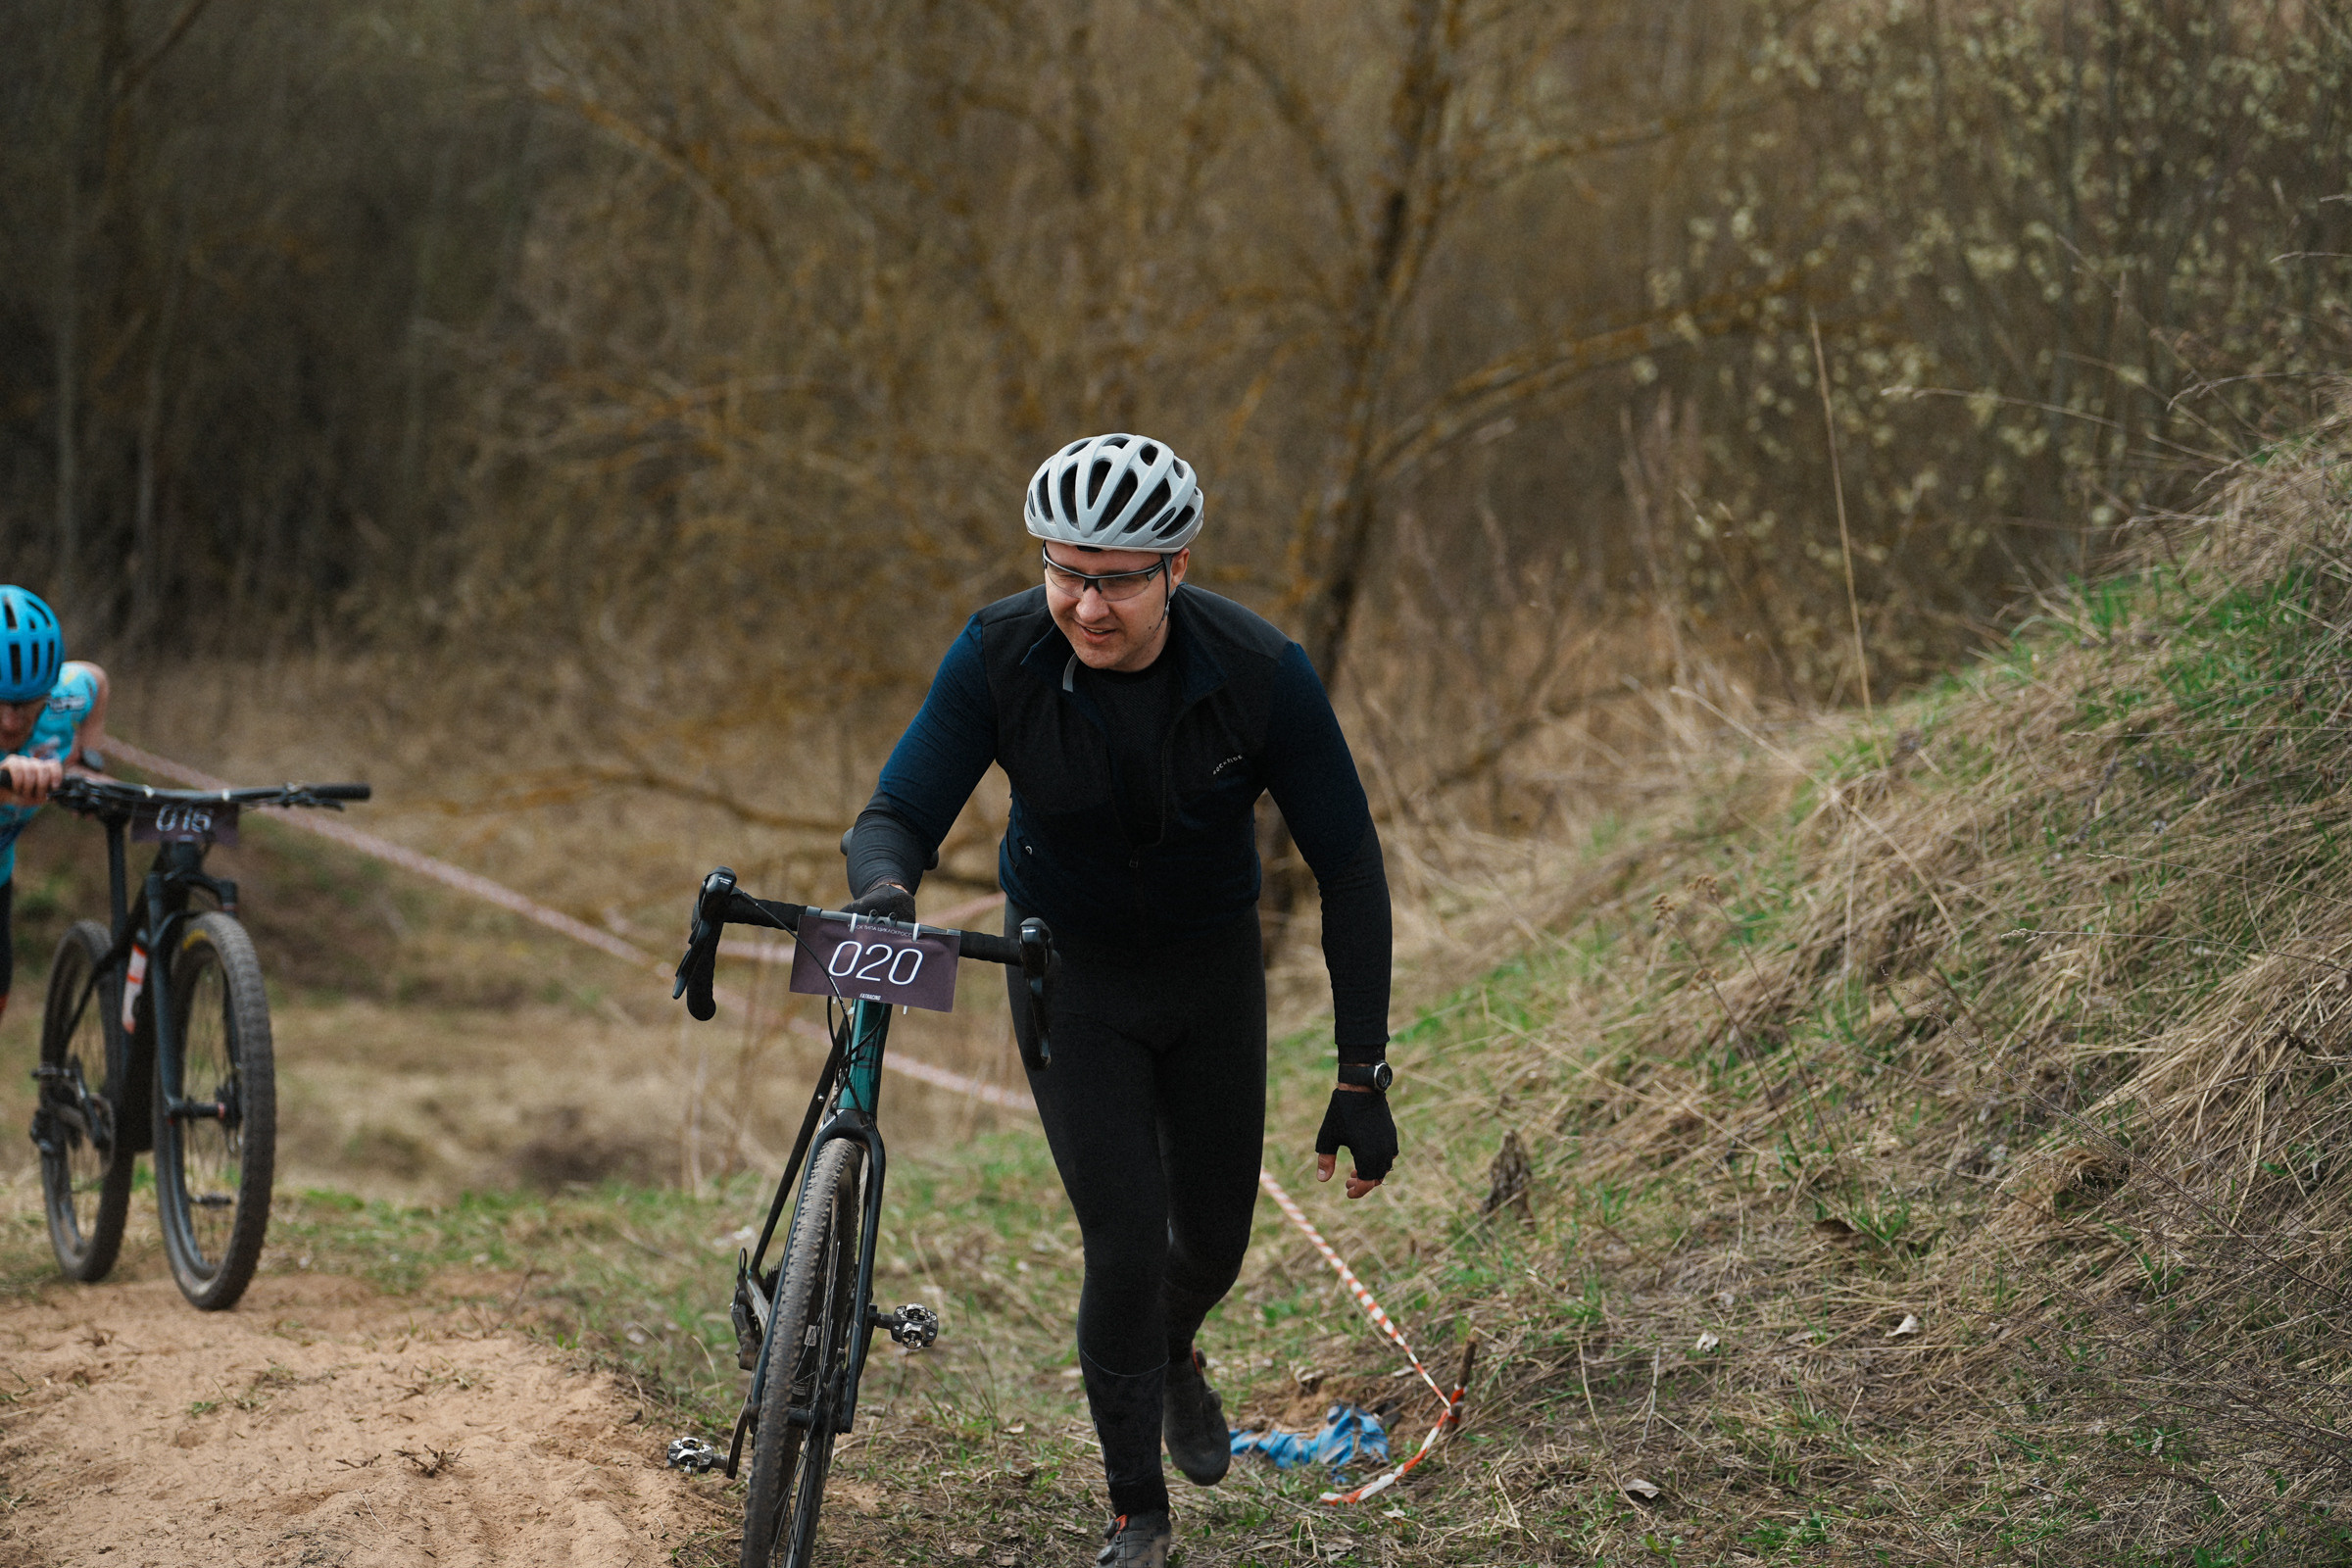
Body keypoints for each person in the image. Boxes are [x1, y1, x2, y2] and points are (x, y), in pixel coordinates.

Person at [841, 434, 1398, 1567]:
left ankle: (1176, 1352)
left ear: (1176, 569)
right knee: (1126, 1239)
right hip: (1068, 972)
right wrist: (887, 892)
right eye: (1065, 571)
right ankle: (1136, 1512)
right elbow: (892, 812)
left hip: (1208, 975)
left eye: (1117, 578)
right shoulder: (999, 653)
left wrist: (1360, 1069)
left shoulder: (1258, 671)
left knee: (1215, 1243)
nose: (1086, 606)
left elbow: (1348, 865)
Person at [0, 586, 110, 1027]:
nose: (11, 721)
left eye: (26, 704)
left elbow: (96, 680)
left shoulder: (67, 696)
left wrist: (85, 762)